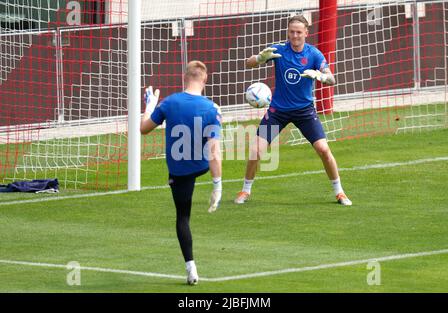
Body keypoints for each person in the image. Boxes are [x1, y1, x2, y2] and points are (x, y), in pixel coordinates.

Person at [235, 15, 352, 206]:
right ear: (288, 32)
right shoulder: (278, 50)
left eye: (299, 32)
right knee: (256, 151)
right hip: (278, 111)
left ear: (306, 32)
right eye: (292, 32)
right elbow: (248, 63)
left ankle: (339, 192)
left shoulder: (313, 54)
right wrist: (259, 58)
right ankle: (245, 191)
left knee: (323, 149)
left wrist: (321, 76)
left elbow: (332, 79)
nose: (295, 35)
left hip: (304, 111)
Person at [140, 60, 222, 285]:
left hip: (180, 170)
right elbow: (214, 150)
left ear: (185, 77)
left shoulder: (169, 103)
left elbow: (143, 129)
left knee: (183, 217)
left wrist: (149, 105)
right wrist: (218, 185)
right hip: (202, 165)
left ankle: (191, 268)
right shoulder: (211, 108)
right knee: (206, 156)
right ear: (204, 80)